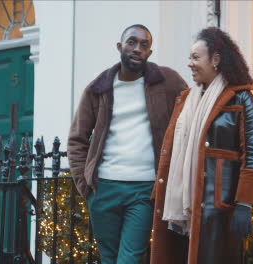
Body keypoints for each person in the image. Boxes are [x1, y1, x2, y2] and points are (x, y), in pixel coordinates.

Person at [67, 24, 187, 264]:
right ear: (120, 47)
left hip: (143, 189)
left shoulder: (167, 81)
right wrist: (86, 187)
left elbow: (198, 104)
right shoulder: (97, 89)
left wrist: (250, 114)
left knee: (129, 257)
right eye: (132, 42)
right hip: (104, 189)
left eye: (144, 45)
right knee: (109, 258)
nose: (137, 48)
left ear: (149, 53)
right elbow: (77, 139)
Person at [150, 27, 253, 264]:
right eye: (189, 57)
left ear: (215, 60)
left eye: (195, 57)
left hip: (220, 207)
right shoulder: (185, 100)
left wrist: (244, 203)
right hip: (181, 209)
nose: (189, 64)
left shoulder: (242, 97)